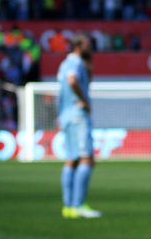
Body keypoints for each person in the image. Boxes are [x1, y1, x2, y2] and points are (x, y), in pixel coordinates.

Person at [57, 34, 101, 219]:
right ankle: (79, 205)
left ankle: (68, 207)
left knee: (71, 159)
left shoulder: (65, 63)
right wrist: (85, 101)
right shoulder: (75, 63)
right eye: (88, 45)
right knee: (86, 159)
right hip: (78, 115)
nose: (91, 48)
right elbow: (72, 81)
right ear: (78, 46)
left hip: (66, 116)